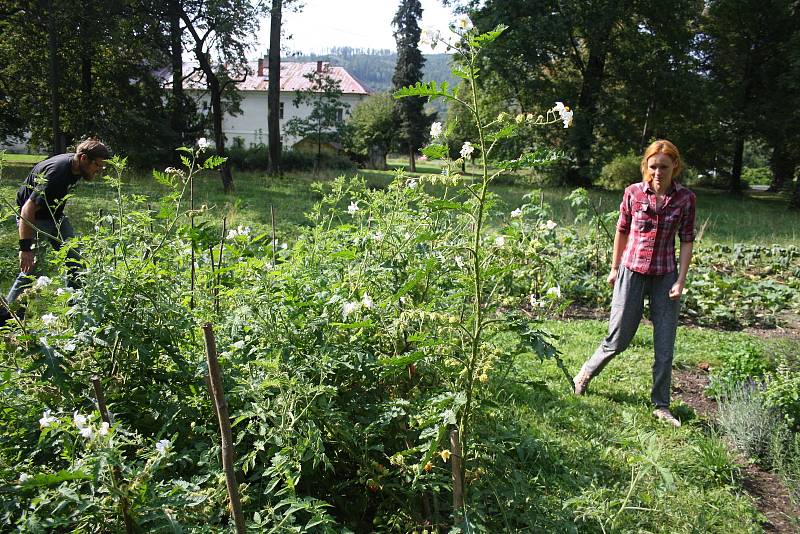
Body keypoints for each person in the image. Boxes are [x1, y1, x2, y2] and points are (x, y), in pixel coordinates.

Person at [573, 139, 696, 427]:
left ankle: (661, 406)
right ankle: (585, 374)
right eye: (653, 166)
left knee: (665, 345)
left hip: (665, 275)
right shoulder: (633, 194)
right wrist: (615, 268)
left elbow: (687, 240)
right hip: (632, 271)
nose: (658, 172)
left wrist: (681, 280)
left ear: (674, 167)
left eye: (664, 167)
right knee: (618, 338)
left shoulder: (685, 199)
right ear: (646, 166)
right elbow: (622, 231)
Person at [0, 138, 110, 325]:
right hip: (35, 219)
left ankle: (76, 311)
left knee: (75, 260)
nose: (99, 170)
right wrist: (26, 248)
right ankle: (7, 318)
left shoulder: (76, 166)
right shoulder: (57, 173)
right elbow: (27, 209)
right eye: (98, 165)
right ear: (84, 158)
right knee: (30, 269)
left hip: (55, 217)